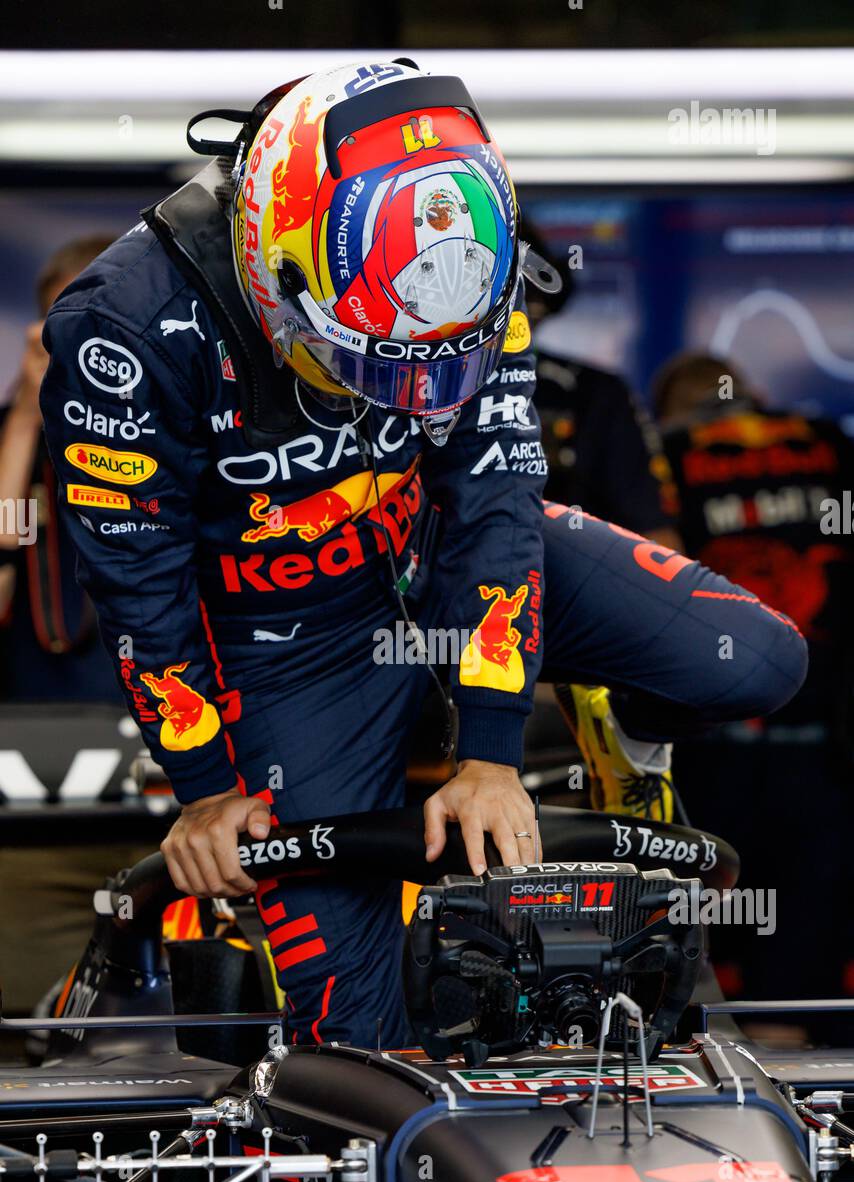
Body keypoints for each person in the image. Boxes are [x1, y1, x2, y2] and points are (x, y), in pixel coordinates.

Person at [40, 62, 807, 1047]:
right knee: (356, 1040)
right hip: (286, 643)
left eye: (432, 371)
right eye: (367, 364)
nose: (404, 397)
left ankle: (598, 728)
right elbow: (137, 583)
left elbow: (492, 503)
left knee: (757, 659)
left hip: (438, 557)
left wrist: (491, 751)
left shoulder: (476, 278)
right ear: (275, 261)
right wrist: (206, 793)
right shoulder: (123, 325)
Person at [654, 351, 854, 1021]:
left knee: (709, 898)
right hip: (826, 733)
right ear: (757, 393)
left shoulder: (667, 453)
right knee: (810, 913)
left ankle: (713, 1040)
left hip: (715, 728)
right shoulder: (823, 441)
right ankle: (798, 1043)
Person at [0, 235, 119, 701]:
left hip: (162, 699)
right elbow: (9, 537)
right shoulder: (21, 443)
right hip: (35, 706)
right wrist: (26, 421)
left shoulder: (174, 426)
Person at [520, 218, 681, 550]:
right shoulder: (414, 391)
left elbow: (658, 540)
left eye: (528, 309)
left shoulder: (593, 393)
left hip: (563, 587)